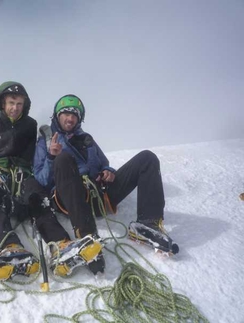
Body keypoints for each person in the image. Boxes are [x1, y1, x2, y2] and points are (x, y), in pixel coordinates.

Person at [0, 82, 101, 281]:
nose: (15, 107)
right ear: (2, 103)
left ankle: (61, 245)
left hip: (24, 174)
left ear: (25, 105)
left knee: (38, 198)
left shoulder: (30, 125)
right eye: (11, 102)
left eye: (19, 103)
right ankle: (9, 246)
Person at [33, 94, 179, 264]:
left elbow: (104, 163)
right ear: (57, 116)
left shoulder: (87, 140)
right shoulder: (46, 142)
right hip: (70, 197)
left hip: (100, 194)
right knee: (63, 159)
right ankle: (86, 235)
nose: (70, 118)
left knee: (147, 158)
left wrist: (108, 171)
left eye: (75, 115)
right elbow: (41, 180)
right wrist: (51, 157)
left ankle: (148, 224)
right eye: (66, 114)